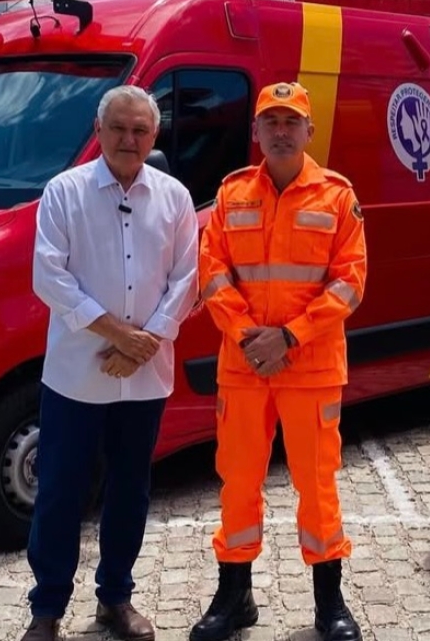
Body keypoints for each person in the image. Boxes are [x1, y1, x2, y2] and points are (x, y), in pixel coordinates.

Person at [191, 81, 368, 641]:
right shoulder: (231, 194)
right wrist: (250, 337)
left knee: (317, 487)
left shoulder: (338, 197)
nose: (283, 131)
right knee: (238, 482)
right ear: (257, 132)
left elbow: (350, 283)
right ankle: (234, 596)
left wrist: (287, 338)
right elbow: (212, 272)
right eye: (272, 121)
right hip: (245, 366)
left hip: (310, 367)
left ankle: (329, 604)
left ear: (310, 132)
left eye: (293, 122)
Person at [21, 85, 199, 641]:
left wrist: (147, 341)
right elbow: (49, 277)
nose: (129, 139)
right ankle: (46, 609)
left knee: (131, 491)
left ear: (155, 136)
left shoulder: (174, 197)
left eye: (140, 130)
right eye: (119, 128)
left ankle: (115, 599)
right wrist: (120, 334)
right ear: (99, 132)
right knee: (59, 492)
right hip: (77, 375)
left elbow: (187, 279)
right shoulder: (64, 192)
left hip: (144, 378)